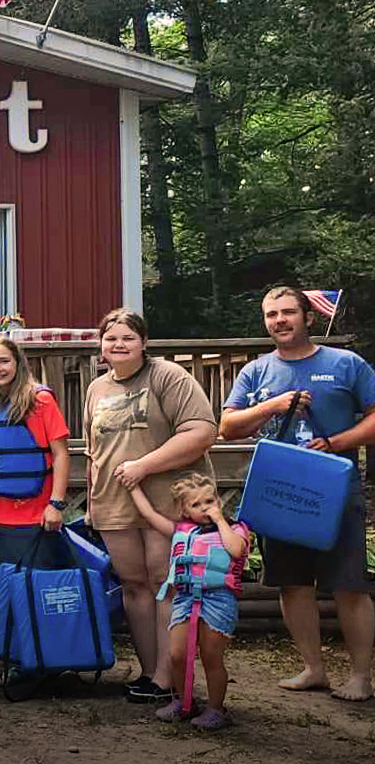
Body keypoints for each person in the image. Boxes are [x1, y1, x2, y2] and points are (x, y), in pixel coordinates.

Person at [219, 285, 375, 702]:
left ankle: (361, 677)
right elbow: (228, 427)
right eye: (271, 314)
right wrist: (273, 405)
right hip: (280, 490)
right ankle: (313, 669)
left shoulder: (346, 363)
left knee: (349, 585)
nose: (279, 321)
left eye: (288, 312)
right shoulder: (256, 371)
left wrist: (338, 442)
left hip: (335, 488)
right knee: (292, 585)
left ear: (308, 316)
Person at [83, 308, 217, 704]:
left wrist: (144, 466)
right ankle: (148, 671)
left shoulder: (167, 376)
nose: (118, 345)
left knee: (164, 583)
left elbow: (202, 431)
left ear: (143, 342)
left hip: (166, 501)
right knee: (134, 585)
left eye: (127, 337)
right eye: (111, 338)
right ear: (101, 345)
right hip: (114, 503)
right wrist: (93, 501)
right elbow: (94, 453)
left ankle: (168, 675)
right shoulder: (96, 389)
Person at [128, 473, 251, 729]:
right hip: (185, 598)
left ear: (218, 500)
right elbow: (150, 516)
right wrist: (133, 488)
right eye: (196, 505)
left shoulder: (234, 528)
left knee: (211, 657)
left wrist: (219, 520)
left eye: (209, 501)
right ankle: (183, 702)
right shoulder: (181, 531)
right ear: (184, 510)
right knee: (176, 655)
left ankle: (217, 710)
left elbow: (236, 550)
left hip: (218, 599)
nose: (205, 508)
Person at [0, 335, 70, 639]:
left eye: (4, 361)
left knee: (32, 591)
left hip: (35, 517)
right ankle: (9, 658)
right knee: (0, 594)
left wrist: (56, 504)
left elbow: (61, 454)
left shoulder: (40, 400)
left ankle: (36, 663)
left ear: (18, 363)